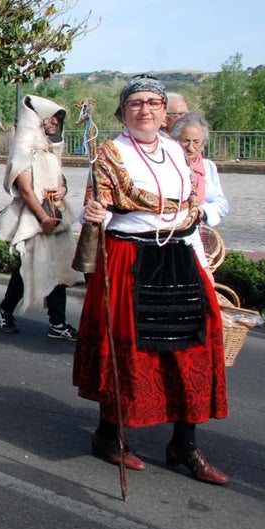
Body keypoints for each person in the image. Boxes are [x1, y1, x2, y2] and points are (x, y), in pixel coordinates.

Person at [74, 77, 229, 485]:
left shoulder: (177, 151)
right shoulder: (110, 153)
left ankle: (184, 444)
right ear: (123, 111)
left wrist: (197, 239)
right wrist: (93, 214)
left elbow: (192, 205)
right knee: (128, 352)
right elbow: (100, 208)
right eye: (136, 103)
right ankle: (109, 436)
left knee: (192, 346)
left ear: (164, 111)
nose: (145, 110)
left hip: (178, 255)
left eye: (153, 103)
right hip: (131, 257)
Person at [0, 95, 84, 339]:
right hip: (33, 218)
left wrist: (63, 189)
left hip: (55, 215)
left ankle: (57, 323)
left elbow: (60, 178)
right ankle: (5, 310)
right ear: (38, 118)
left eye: (58, 118)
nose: (55, 122)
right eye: (51, 117)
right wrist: (42, 218)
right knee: (28, 268)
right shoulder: (24, 145)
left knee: (60, 267)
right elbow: (24, 189)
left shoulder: (48, 144)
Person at [170, 113, 228, 228]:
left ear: (203, 145)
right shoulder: (168, 166)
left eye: (196, 142)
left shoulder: (208, 166)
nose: (191, 147)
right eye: (186, 141)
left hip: (202, 229)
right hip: (175, 229)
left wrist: (203, 211)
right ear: (175, 141)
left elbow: (222, 204)